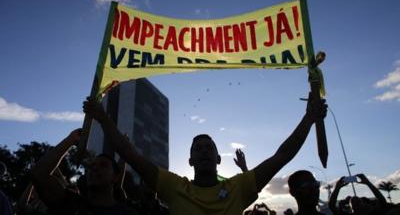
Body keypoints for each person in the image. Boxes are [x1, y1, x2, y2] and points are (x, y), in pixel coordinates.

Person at [83, 92, 327, 215]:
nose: (204, 152)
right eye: (197, 149)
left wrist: (309, 118)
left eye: (209, 148)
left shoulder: (239, 187)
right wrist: (103, 117)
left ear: (219, 158)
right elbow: (129, 153)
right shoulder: (173, 187)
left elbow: (282, 155)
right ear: (189, 160)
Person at [31, 129, 138, 215]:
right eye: (92, 165)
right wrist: (71, 139)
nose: (95, 168)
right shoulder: (72, 203)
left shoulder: (126, 213)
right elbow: (39, 174)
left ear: (115, 177)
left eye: (103, 165)